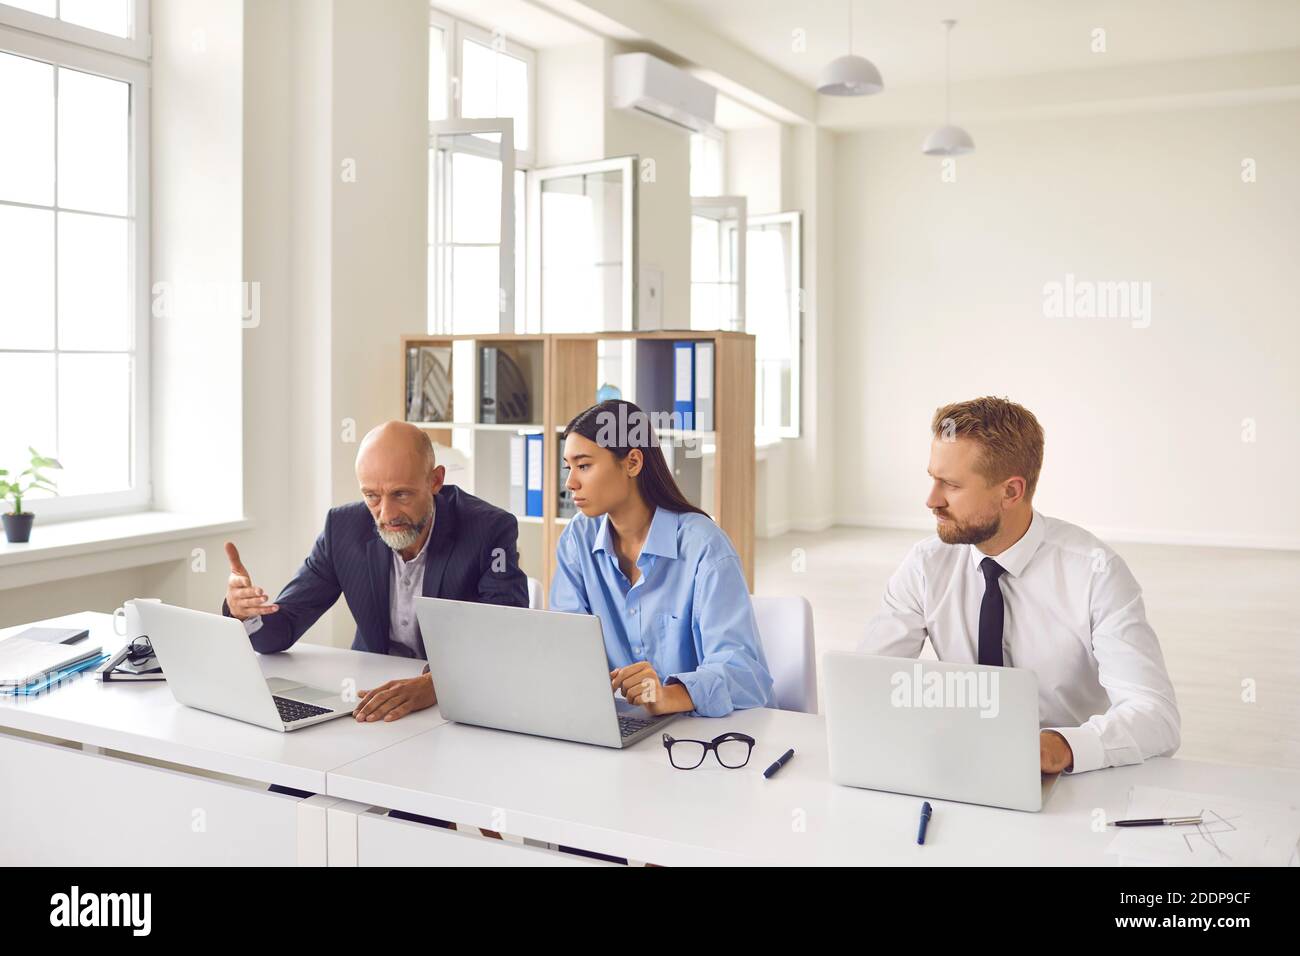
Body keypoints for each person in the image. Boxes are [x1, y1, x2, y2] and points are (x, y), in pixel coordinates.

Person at [861, 396, 1180, 774]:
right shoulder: (926, 565)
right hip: (962, 766)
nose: (931, 500)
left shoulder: (1096, 573)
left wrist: (1059, 747)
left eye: (950, 485)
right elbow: (867, 682)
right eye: (932, 478)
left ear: (1011, 492)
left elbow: (1156, 717)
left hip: (1068, 780)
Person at [222, 420, 528, 722]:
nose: (387, 514)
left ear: (435, 481)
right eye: (372, 496)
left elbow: (503, 639)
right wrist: (247, 614)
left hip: (456, 707)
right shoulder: (342, 529)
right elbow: (280, 632)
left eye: (401, 495)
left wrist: (435, 685)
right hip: (371, 698)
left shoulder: (489, 530)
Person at [550, 399, 773, 718]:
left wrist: (669, 695)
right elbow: (565, 644)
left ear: (632, 463)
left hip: (706, 739)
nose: (570, 483)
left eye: (584, 466)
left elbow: (745, 676)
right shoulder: (577, 539)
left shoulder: (705, 548)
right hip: (621, 726)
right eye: (568, 467)